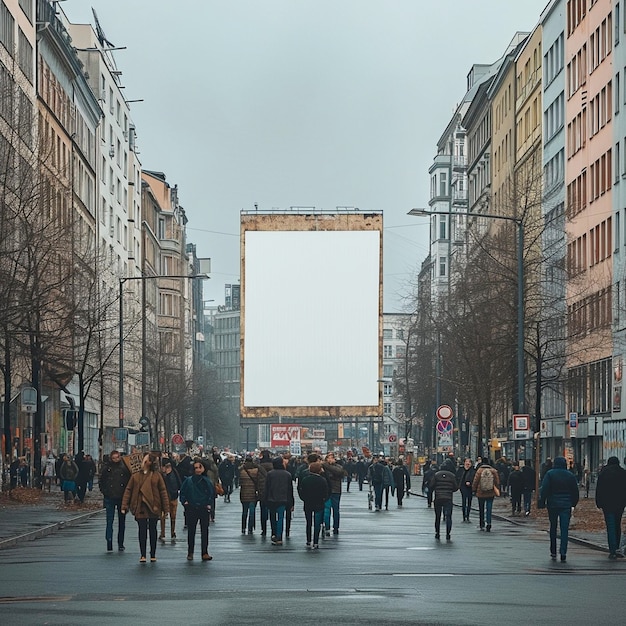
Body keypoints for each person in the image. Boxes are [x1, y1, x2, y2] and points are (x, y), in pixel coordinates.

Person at [121, 453, 170, 563]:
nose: (143, 461)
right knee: (142, 530)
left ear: (150, 463)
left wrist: (166, 509)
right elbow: (128, 490)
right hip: (140, 506)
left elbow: (163, 492)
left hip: (154, 505)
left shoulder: (157, 476)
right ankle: (143, 554)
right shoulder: (136, 476)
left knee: (153, 530)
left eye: (146, 459)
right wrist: (124, 506)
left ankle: (152, 554)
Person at [538, 456, 579, 562]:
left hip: (553, 504)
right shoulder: (570, 475)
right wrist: (573, 502)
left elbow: (545, 489)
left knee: (553, 527)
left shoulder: (550, 474)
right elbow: (575, 491)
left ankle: (553, 550)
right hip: (566, 505)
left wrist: (542, 501)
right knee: (564, 529)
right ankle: (563, 552)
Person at [179, 460, 215, 561]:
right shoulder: (189, 480)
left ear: (204, 469)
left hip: (203, 508)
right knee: (191, 531)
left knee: (204, 531)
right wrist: (184, 502)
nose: (198, 470)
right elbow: (183, 492)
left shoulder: (206, 481)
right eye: (196, 468)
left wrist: (208, 504)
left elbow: (211, 494)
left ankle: (204, 552)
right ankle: (190, 552)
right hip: (192, 507)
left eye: (200, 467)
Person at [99, 449, 131, 552]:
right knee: (109, 521)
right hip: (110, 497)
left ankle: (120, 543)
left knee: (122, 522)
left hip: (122, 498)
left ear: (120, 457)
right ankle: (109, 541)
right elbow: (101, 481)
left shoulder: (125, 467)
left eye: (117, 457)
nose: (116, 459)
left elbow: (129, 481)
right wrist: (105, 492)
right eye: (114, 458)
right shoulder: (107, 468)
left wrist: (127, 496)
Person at [595, 456, 626, 559]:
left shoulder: (604, 473)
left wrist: (598, 502)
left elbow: (599, 488)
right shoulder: (623, 473)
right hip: (620, 503)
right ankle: (617, 547)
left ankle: (612, 550)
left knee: (610, 526)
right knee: (618, 525)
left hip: (607, 504)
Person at [297, 461, 329, 549]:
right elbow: (325, 493)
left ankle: (308, 540)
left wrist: (304, 499)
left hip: (308, 503)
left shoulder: (305, 479)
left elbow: (301, 491)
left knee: (309, 522)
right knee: (317, 523)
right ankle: (315, 542)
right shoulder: (322, 480)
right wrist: (323, 499)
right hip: (319, 503)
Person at [264, 456, 294, 545]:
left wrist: (265, 499)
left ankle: (274, 533)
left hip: (271, 499)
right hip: (283, 499)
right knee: (281, 517)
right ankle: (279, 536)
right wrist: (292, 502)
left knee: (272, 518)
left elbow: (267, 488)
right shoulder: (287, 474)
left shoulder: (270, 474)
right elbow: (290, 490)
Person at [430, 462, 458, 540]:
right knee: (448, 516)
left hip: (438, 498)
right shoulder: (452, 476)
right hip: (448, 498)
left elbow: (431, 486)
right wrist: (450, 490)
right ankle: (448, 533)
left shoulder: (436, 475)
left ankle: (437, 532)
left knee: (437, 516)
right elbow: (456, 487)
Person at [472, 458, 500, 532]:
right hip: (490, 492)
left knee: (481, 508)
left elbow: (475, 481)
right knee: (489, 507)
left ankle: (482, 523)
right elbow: (497, 481)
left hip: (480, 492)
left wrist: (474, 489)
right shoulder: (493, 471)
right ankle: (489, 523)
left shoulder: (479, 471)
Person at [322, 452, 347, 535]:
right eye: (328, 458)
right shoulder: (323, 467)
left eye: (332, 457)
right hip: (327, 490)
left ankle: (336, 527)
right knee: (327, 509)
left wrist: (327, 466)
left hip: (336, 491)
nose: (330, 459)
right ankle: (327, 526)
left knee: (336, 510)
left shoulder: (337, 467)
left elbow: (339, 472)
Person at [239, 454, 264, 534]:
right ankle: (250, 528)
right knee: (252, 512)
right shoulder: (256, 471)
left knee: (244, 512)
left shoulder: (241, 471)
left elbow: (239, 482)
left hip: (243, 494)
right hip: (253, 494)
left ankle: (243, 527)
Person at [160, 459, 182, 543]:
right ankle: (162, 533)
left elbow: (178, 483)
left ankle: (172, 532)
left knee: (173, 516)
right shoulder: (161, 474)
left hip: (173, 497)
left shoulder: (174, 472)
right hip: (164, 498)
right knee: (162, 516)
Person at [456, 458, 475, 522]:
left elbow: (475, 478)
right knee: (464, 500)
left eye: (469, 462)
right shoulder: (461, 469)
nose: (468, 463)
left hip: (470, 487)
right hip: (463, 487)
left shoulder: (473, 470)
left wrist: (470, 482)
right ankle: (464, 516)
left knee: (469, 501)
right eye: (466, 462)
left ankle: (468, 515)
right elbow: (457, 477)